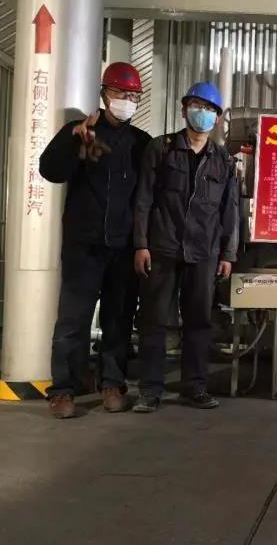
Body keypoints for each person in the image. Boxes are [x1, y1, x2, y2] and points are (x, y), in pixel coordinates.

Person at [40, 62, 151, 418]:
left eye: (133, 95)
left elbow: (148, 197)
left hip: (123, 248)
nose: (127, 101)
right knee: (73, 320)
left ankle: (112, 384)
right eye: (120, 93)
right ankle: (63, 390)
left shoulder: (141, 143)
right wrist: (73, 141)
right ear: (104, 94)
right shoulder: (81, 132)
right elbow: (50, 171)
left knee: (118, 319)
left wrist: (142, 243)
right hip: (83, 246)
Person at [132, 81, 239, 413]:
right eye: (196, 106)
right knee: (154, 320)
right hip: (163, 248)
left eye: (209, 109)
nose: (202, 113)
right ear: (183, 110)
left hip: (204, 252)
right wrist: (141, 244)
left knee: (199, 322)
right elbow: (143, 199)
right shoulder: (161, 148)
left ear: (217, 119)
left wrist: (228, 254)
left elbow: (230, 210)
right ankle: (150, 390)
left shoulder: (223, 160)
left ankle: (195, 387)